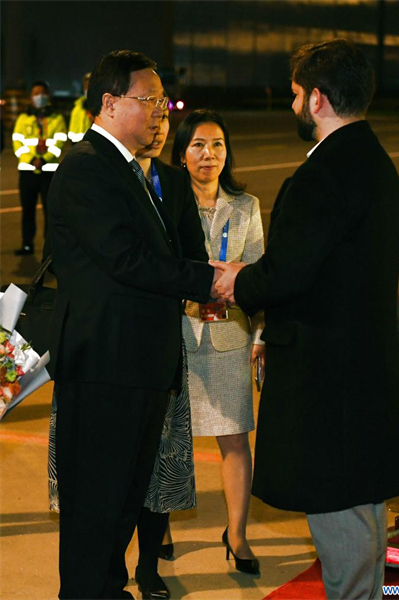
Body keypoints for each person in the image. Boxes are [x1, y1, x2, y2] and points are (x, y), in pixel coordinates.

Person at [213, 39, 399, 599]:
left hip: (327, 381)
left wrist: (235, 281)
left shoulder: (325, 173)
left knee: (339, 520)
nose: (292, 105)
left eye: (296, 94)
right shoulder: (374, 161)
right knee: (365, 515)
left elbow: (289, 272)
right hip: (363, 373)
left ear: (318, 99)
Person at [47, 50, 216, 600]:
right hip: (105, 368)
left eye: (162, 101)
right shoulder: (86, 166)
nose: (158, 112)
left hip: (137, 366)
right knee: (95, 505)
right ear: (110, 102)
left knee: (122, 500)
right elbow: (127, 260)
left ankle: (107, 587)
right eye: (149, 100)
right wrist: (209, 280)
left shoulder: (128, 168)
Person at [167, 109, 265, 575]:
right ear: (181, 155)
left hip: (229, 335)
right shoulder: (163, 202)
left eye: (218, 145)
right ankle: (158, 524)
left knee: (235, 440)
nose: (209, 155)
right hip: (178, 335)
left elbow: (260, 274)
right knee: (168, 437)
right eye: (198, 146)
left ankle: (238, 534)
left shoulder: (246, 206)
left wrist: (261, 336)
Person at [133, 105, 209, 599]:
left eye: (165, 119)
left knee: (160, 463)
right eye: (151, 114)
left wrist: (197, 277)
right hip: (115, 345)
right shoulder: (104, 176)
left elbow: (195, 256)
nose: (158, 127)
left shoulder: (172, 183)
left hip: (163, 342)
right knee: (116, 468)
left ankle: (147, 567)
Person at [12, 80, 67, 255]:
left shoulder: (56, 118)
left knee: (50, 212)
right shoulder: (23, 118)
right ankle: (27, 244)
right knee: (27, 211)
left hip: (48, 172)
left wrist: (44, 159)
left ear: (48, 96)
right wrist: (31, 159)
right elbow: (17, 142)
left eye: (42, 93)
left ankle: (49, 249)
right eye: (36, 93)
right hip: (27, 172)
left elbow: (59, 142)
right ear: (30, 97)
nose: (39, 97)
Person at [68, 72, 93, 143]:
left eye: (91, 85)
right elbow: (72, 134)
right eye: (86, 85)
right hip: (79, 148)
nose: (88, 88)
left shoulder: (104, 108)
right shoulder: (77, 109)